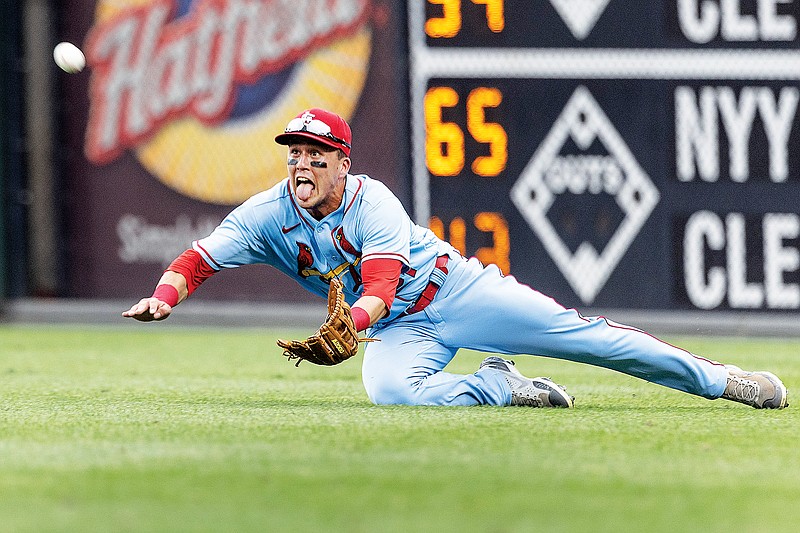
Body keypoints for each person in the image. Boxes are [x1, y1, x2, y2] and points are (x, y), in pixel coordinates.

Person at [123, 108, 789, 410]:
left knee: (589, 340)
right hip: (396, 330)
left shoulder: (371, 199)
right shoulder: (268, 212)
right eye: (294, 152)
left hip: (456, 293)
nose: (302, 162)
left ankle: (723, 380)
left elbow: (383, 278)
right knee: (390, 392)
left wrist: (351, 323)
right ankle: (500, 384)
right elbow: (199, 256)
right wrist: (165, 295)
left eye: (315, 153)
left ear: (342, 164)